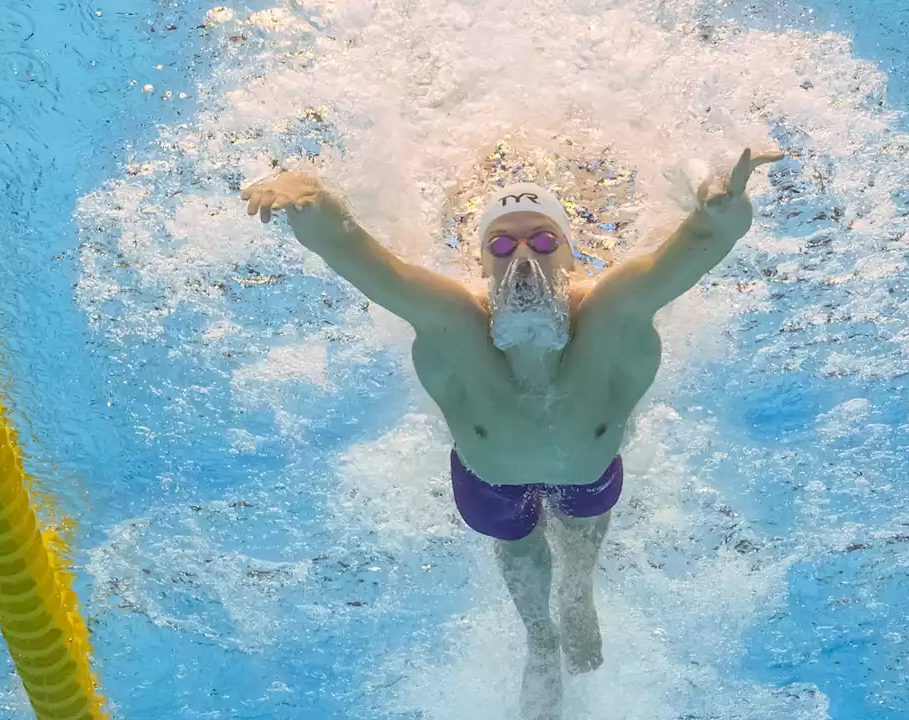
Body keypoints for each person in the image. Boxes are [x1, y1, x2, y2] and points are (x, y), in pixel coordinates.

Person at [240, 148, 784, 719]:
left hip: (588, 476)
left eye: (543, 240)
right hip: (490, 486)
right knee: (520, 548)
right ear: (481, 262)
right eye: (502, 244)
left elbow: (695, 249)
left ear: (570, 255)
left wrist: (724, 215)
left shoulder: (613, 311)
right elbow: (356, 255)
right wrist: (308, 195)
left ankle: (579, 596)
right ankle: (539, 640)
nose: (522, 252)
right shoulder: (449, 318)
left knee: (577, 554)